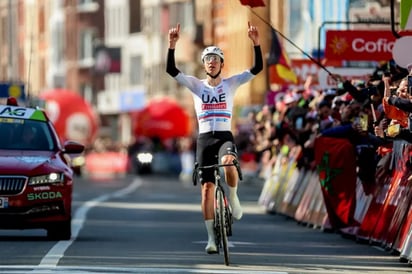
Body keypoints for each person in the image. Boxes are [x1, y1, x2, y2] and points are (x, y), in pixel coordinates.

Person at [166, 22, 263, 254]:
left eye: (216, 59)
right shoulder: (196, 85)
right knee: (207, 189)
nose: (212, 62)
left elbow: (257, 68)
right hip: (204, 140)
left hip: (223, 137)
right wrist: (172, 45)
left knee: (229, 162)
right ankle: (211, 238)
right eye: (208, 59)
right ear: (204, 64)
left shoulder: (231, 83)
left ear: (221, 64)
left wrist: (256, 43)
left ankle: (233, 197)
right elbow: (171, 70)